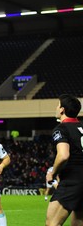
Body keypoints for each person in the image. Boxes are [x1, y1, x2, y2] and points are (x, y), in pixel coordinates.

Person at [45, 94, 83, 226]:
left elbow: (63, 155)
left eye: (57, 105)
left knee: (52, 224)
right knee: (78, 222)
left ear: (62, 109)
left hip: (72, 182)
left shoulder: (61, 129)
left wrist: (53, 173)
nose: (56, 108)